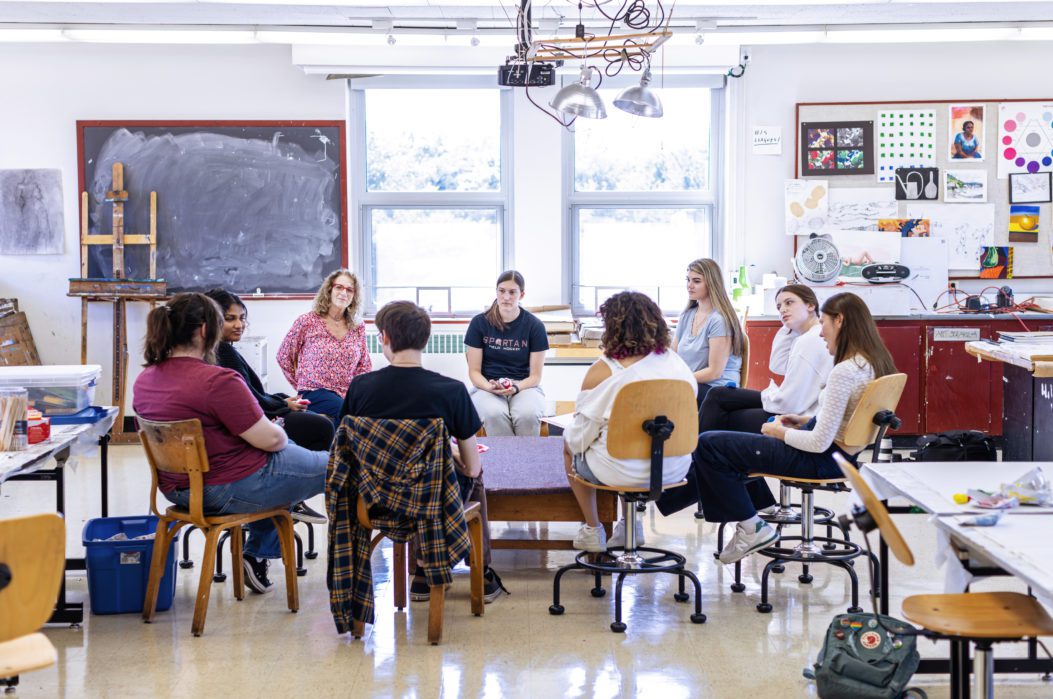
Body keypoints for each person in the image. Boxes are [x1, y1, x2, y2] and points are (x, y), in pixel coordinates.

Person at [132, 293, 328, 594]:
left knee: (286, 470)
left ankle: (263, 546)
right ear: (205, 332)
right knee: (341, 464)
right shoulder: (219, 381)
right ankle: (348, 566)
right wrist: (278, 430)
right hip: (231, 487)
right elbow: (273, 440)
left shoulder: (145, 379)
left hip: (176, 491)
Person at [694, 292, 896, 564]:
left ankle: (751, 527)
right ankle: (749, 512)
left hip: (819, 460)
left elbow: (818, 444)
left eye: (823, 323)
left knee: (709, 443)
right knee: (723, 443)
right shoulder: (871, 363)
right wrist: (798, 422)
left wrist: (779, 431)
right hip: (841, 458)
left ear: (840, 321)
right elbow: (837, 421)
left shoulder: (844, 371)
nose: (821, 333)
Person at [339, 301, 507, 603]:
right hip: (430, 501)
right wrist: (448, 453)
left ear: (386, 337)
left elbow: (348, 450)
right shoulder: (451, 390)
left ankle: (420, 576)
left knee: (419, 477)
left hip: (374, 500)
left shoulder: (360, 388)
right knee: (464, 478)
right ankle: (480, 573)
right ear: (426, 339)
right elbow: (471, 468)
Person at [563, 292, 697, 553]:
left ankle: (592, 529)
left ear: (610, 327)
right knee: (638, 443)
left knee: (570, 446)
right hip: (674, 467)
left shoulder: (603, 371)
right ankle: (631, 523)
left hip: (619, 471)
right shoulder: (676, 365)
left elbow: (578, 440)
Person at [205, 288, 334, 524]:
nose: (239, 325)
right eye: (230, 319)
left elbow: (252, 394)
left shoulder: (222, 350)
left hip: (245, 427)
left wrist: (282, 401)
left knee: (317, 421)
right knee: (321, 427)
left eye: (242, 318)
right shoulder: (222, 353)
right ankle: (289, 501)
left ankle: (289, 501)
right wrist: (283, 405)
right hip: (247, 432)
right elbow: (250, 400)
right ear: (212, 320)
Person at [277, 269, 372, 423]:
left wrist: (358, 393)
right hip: (314, 391)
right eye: (339, 287)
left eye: (349, 290)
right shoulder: (307, 321)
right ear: (329, 290)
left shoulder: (357, 326)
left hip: (346, 393)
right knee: (343, 413)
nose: (344, 292)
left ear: (354, 296)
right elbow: (283, 356)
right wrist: (300, 384)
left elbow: (364, 365)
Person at [464, 270, 549, 436]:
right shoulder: (479, 323)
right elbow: (474, 371)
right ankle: (504, 461)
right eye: (502, 291)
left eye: (512, 292)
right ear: (496, 292)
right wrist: (490, 386)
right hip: (487, 386)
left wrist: (516, 388)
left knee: (527, 415)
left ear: (522, 295)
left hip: (524, 386)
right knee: (494, 414)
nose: (506, 297)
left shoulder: (535, 326)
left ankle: (526, 461)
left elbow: (535, 376)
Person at [673, 258, 744, 406]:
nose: (689, 286)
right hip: (693, 384)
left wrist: (680, 379)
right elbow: (672, 356)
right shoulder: (687, 315)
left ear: (712, 284)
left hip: (716, 390)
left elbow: (714, 372)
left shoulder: (719, 320)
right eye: (688, 280)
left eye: (697, 281)